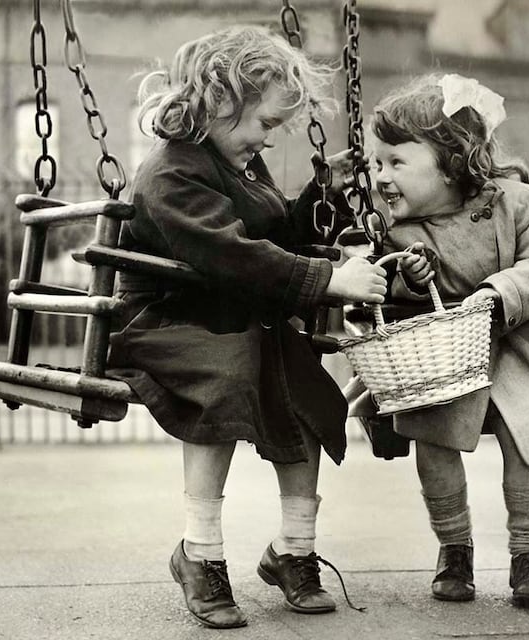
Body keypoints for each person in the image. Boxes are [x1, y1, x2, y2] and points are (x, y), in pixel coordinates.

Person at [107, 25, 386, 629]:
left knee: (308, 394)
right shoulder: (171, 173)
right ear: (220, 100)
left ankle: (293, 549)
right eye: (264, 123)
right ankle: (200, 553)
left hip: (237, 315)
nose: (269, 139)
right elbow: (230, 252)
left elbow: (271, 235)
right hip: (172, 320)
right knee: (224, 383)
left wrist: (321, 193)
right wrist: (328, 281)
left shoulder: (240, 163)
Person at [352, 72, 529, 608]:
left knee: (524, 437)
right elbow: (377, 280)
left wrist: (499, 291)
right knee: (433, 441)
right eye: (377, 162)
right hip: (441, 359)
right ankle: (453, 549)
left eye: (396, 162)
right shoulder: (395, 225)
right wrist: (410, 277)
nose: (381, 176)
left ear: (451, 161)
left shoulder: (518, 201)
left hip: (523, 346)